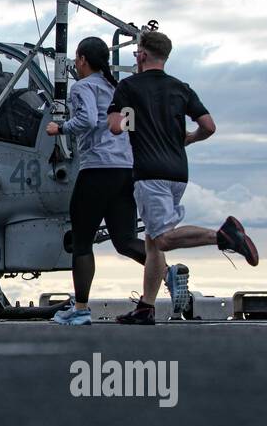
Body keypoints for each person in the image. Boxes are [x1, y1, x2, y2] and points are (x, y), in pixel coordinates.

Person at [106, 29, 257, 324]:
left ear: (143, 54)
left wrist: (133, 118)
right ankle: (146, 308)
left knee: (162, 240)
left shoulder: (129, 87)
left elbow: (114, 126)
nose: (136, 56)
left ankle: (224, 236)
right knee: (151, 241)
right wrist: (188, 138)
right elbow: (209, 126)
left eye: (137, 51)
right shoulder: (181, 88)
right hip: (178, 170)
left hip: (150, 172)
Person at [47, 37, 157, 326]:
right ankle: (166, 271)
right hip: (125, 170)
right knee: (124, 240)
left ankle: (81, 308)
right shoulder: (117, 88)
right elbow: (125, 125)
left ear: (82, 59)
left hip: (97, 169)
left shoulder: (82, 87)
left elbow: (87, 120)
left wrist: (60, 127)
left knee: (82, 242)